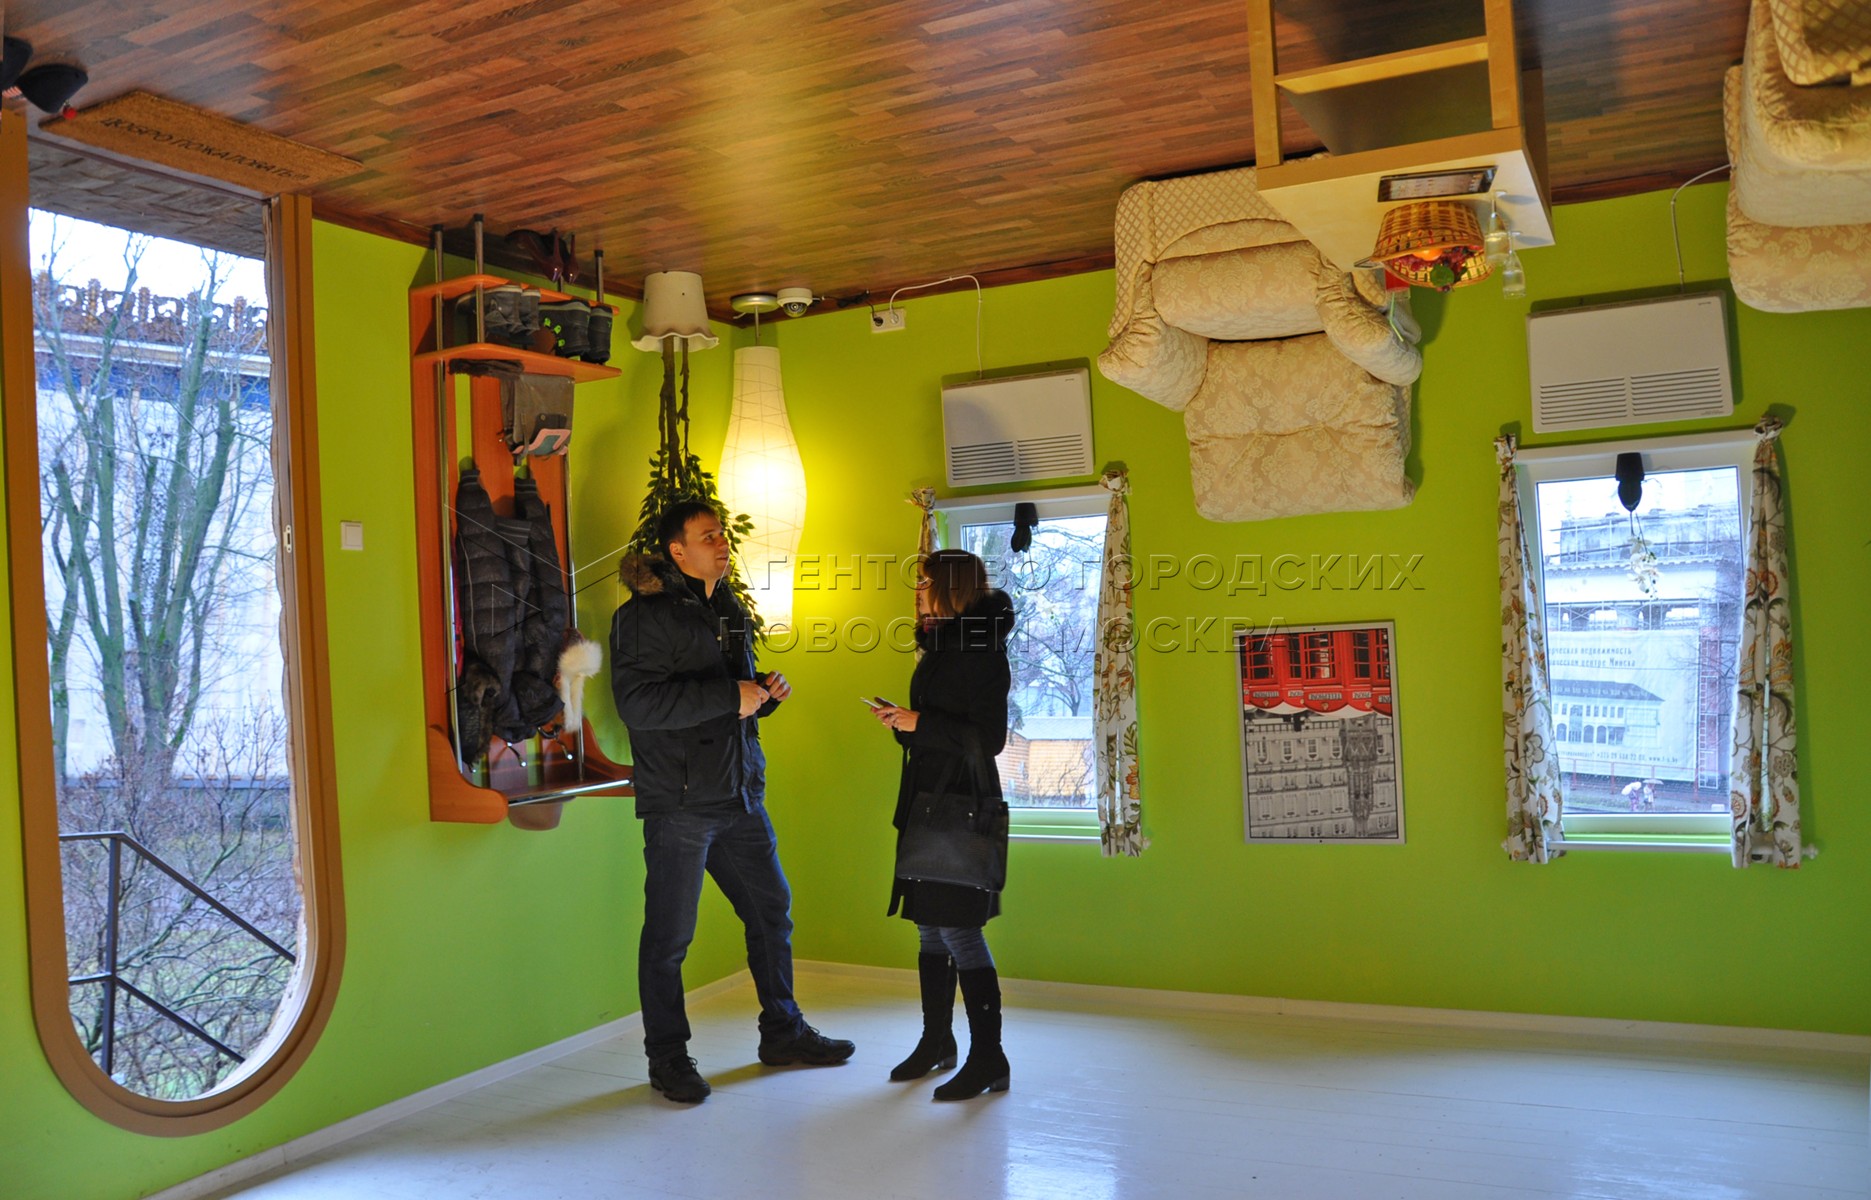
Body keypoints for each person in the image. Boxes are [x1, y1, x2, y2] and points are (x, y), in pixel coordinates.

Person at [610, 499, 854, 1104]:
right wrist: (729, 695)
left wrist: (762, 693)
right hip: (681, 805)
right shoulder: (639, 618)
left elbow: (729, 700)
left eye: (722, 534)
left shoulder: (729, 607)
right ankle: (667, 1059)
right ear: (676, 551)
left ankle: (783, 1033)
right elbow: (638, 706)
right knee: (669, 939)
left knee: (772, 913)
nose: (723, 543)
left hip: (741, 795)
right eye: (708, 536)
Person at [871, 548, 1015, 1101]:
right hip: (929, 801)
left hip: (962, 805)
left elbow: (989, 740)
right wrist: (902, 723)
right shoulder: (940, 645)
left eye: (924, 582)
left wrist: (920, 722)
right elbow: (938, 728)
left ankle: (989, 1058)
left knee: (959, 930)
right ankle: (937, 1041)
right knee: (929, 927)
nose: (916, 591)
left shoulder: (982, 649)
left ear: (952, 587)